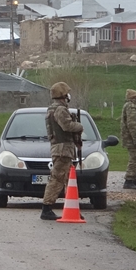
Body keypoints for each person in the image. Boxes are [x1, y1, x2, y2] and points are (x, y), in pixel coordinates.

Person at [41, 81, 84, 221]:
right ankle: (46, 207)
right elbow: (66, 126)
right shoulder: (60, 109)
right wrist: (79, 126)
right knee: (58, 178)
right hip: (63, 149)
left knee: (67, 180)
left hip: (61, 148)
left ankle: (71, 208)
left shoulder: (52, 109)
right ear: (63, 95)